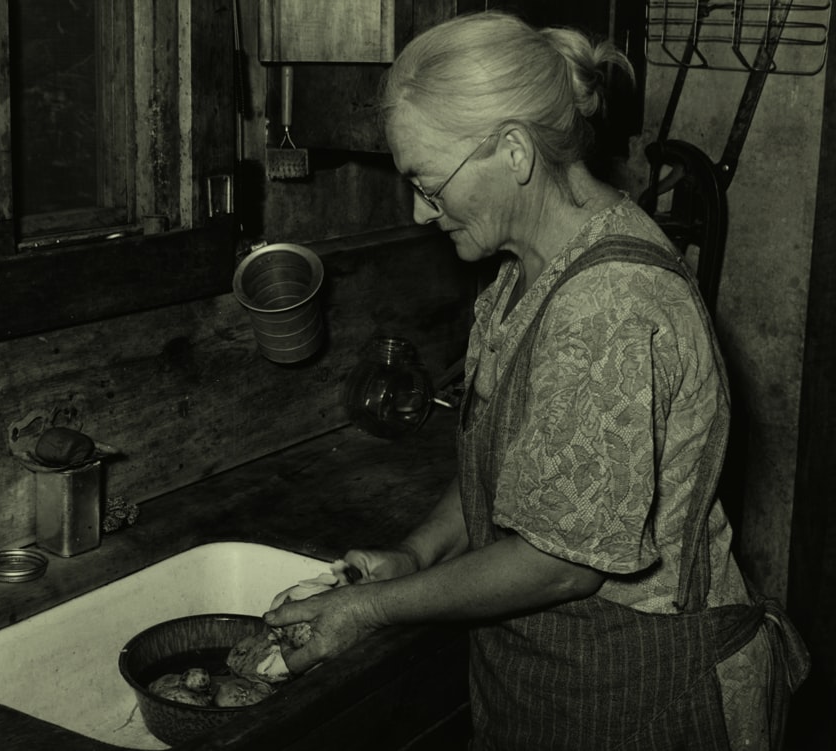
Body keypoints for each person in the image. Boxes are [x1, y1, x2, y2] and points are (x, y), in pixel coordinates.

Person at [264, 10, 809, 750]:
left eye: (428, 182)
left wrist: (372, 608)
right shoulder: (527, 270)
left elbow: (559, 563)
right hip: (549, 684)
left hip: (638, 694)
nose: (421, 211)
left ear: (514, 151)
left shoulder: (610, 304)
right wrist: (418, 554)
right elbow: (511, 452)